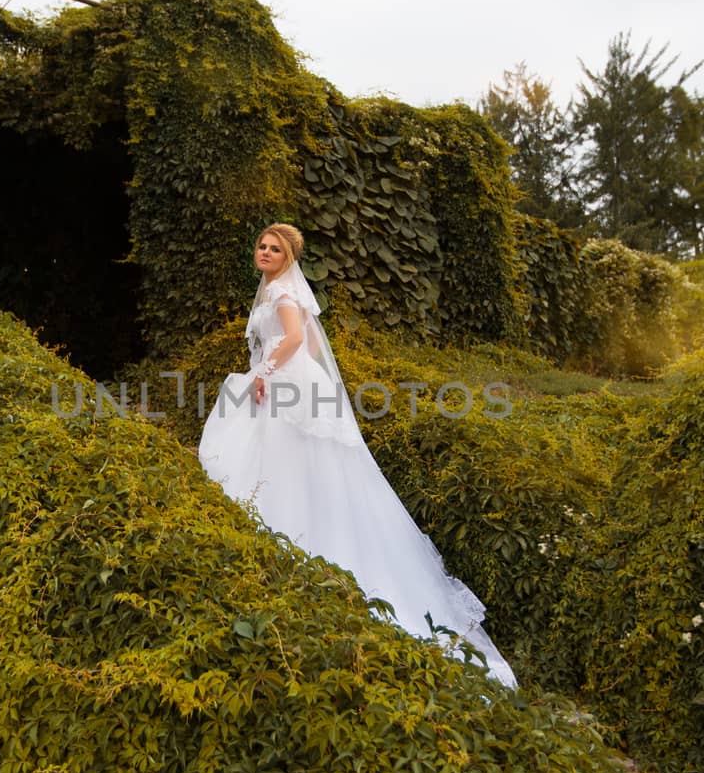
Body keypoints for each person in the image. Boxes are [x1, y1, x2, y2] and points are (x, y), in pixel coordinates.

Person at [198, 223, 517, 690]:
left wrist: (265, 372)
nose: (265, 253)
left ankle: (296, 539)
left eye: (274, 249)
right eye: (262, 247)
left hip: (288, 383)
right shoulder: (272, 288)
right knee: (270, 457)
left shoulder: (285, 293)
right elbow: (300, 344)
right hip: (289, 378)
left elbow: (291, 340)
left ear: (289, 258)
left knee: (289, 461)